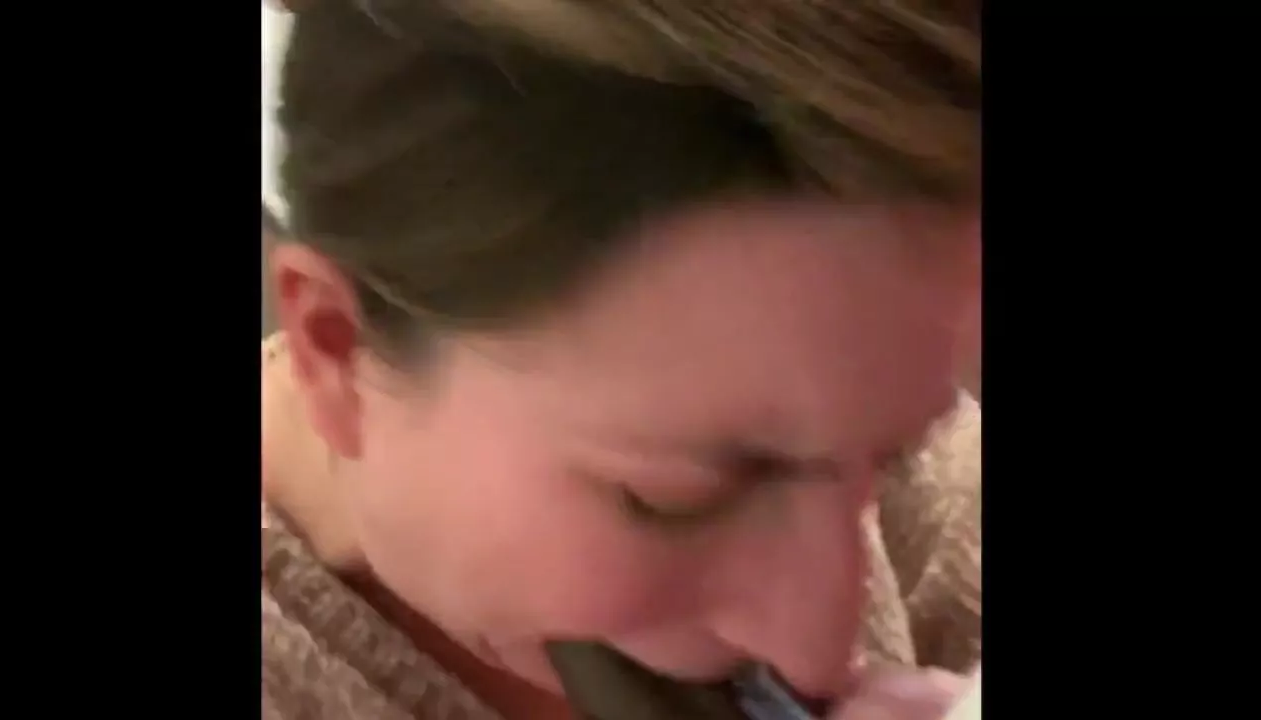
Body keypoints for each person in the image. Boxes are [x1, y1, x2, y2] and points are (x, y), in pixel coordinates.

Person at [261, 1, 981, 718]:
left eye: (889, 458)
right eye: (673, 500)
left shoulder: (845, 397)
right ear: (335, 349)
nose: (817, 653)